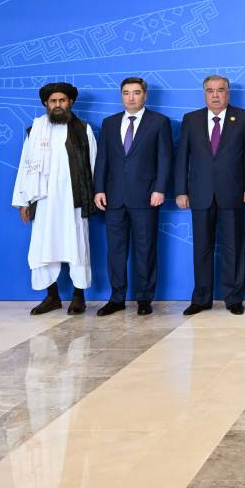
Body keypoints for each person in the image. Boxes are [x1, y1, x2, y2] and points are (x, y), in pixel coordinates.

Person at [173, 74, 245, 316]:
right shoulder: (191, 119)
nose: (216, 95)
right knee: (201, 248)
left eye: (220, 90)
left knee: (234, 247)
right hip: (200, 193)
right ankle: (201, 299)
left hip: (233, 192)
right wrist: (181, 191)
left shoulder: (243, 118)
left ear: (228, 93)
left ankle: (234, 298)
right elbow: (182, 158)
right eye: (210, 90)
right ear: (204, 94)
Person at [12, 82, 98, 315]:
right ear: (45, 104)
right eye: (53, 101)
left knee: (77, 245)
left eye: (62, 100)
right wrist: (23, 201)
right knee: (43, 246)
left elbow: (93, 166)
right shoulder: (34, 130)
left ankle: (79, 297)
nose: (58, 105)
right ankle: (52, 296)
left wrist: (94, 196)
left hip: (74, 200)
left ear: (70, 102)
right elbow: (24, 166)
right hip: (44, 201)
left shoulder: (83, 129)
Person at [93, 77, 172, 317]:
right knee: (115, 251)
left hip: (146, 197)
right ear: (121, 96)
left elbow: (165, 159)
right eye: (126, 93)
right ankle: (117, 298)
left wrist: (160, 189)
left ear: (145, 95)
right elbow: (102, 159)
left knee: (145, 249)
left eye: (136, 92)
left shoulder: (159, 122)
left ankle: (144, 299)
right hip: (114, 197)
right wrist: (99, 189)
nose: (131, 97)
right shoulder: (109, 123)